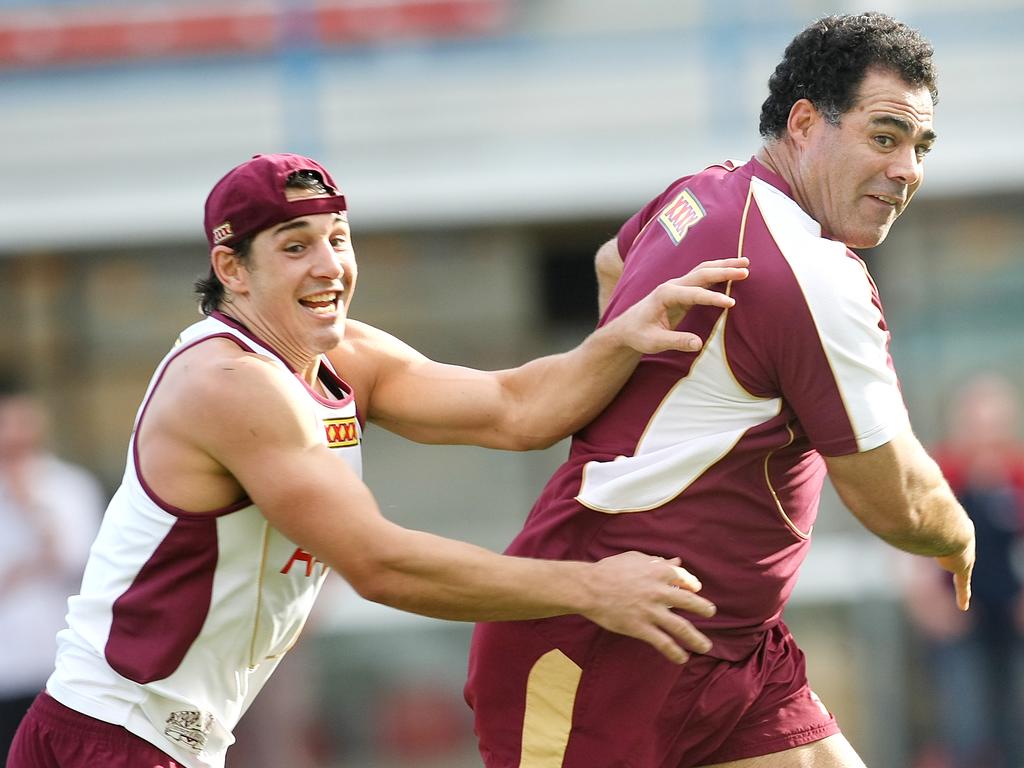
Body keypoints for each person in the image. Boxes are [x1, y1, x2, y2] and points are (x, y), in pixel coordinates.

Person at [7, 152, 749, 768]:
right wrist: (593, 589)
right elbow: (381, 565)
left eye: (337, 237)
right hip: (109, 739)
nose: (329, 265)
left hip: (160, 740)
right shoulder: (229, 384)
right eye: (295, 245)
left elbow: (516, 410)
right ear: (231, 270)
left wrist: (620, 332)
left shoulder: (343, 353)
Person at [465, 12, 976, 768]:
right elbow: (892, 499)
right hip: (604, 643)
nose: (908, 168)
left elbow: (613, 262)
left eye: (920, 146)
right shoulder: (810, 271)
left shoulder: (703, 192)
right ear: (805, 123)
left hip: (728, 649)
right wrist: (959, 538)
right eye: (885, 135)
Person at [905, 373, 1024, 768]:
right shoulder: (940, 475)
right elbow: (913, 542)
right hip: (957, 617)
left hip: (1010, 616)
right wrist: (927, 598)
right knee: (964, 723)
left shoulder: (1016, 475)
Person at [0, 379, 104, 763]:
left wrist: (32, 507)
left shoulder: (67, 486)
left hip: (61, 661)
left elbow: (80, 564)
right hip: (6, 667)